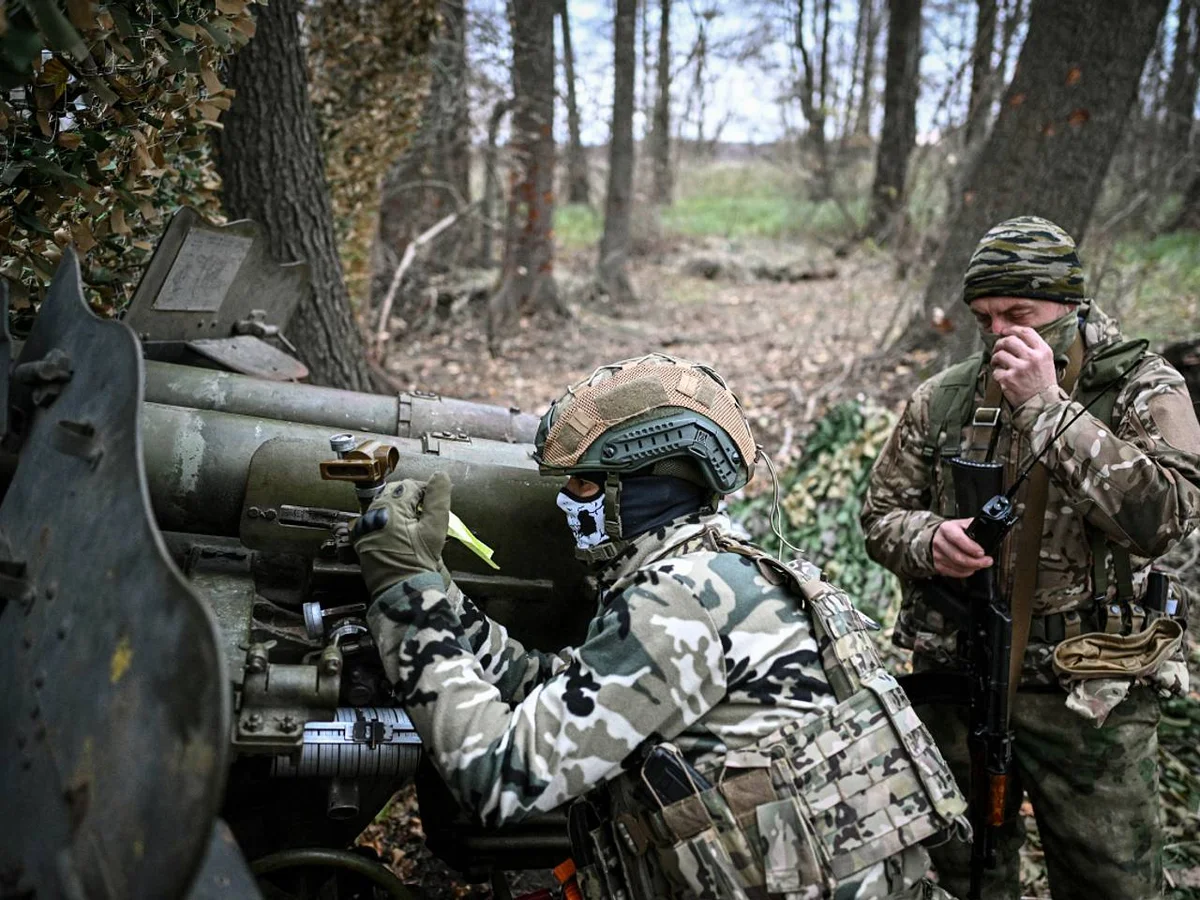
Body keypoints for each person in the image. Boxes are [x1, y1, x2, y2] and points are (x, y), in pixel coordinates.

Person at [353, 354, 967, 900]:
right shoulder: (716, 569)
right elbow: (558, 687)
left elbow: (498, 779)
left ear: (648, 491)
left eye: (586, 483)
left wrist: (403, 595)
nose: (568, 500)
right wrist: (437, 587)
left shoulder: (680, 602)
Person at [861, 216, 1200, 900]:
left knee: (1115, 880)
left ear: (1072, 304)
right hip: (963, 674)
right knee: (966, 874)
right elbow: (879, 518)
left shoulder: (1141, 388)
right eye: (985, 318)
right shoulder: (946, 397)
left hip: (1089, 687)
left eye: (1022, 314)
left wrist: (1048, 408)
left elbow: (1167, 516)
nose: (1000, 334)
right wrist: (930, 541)